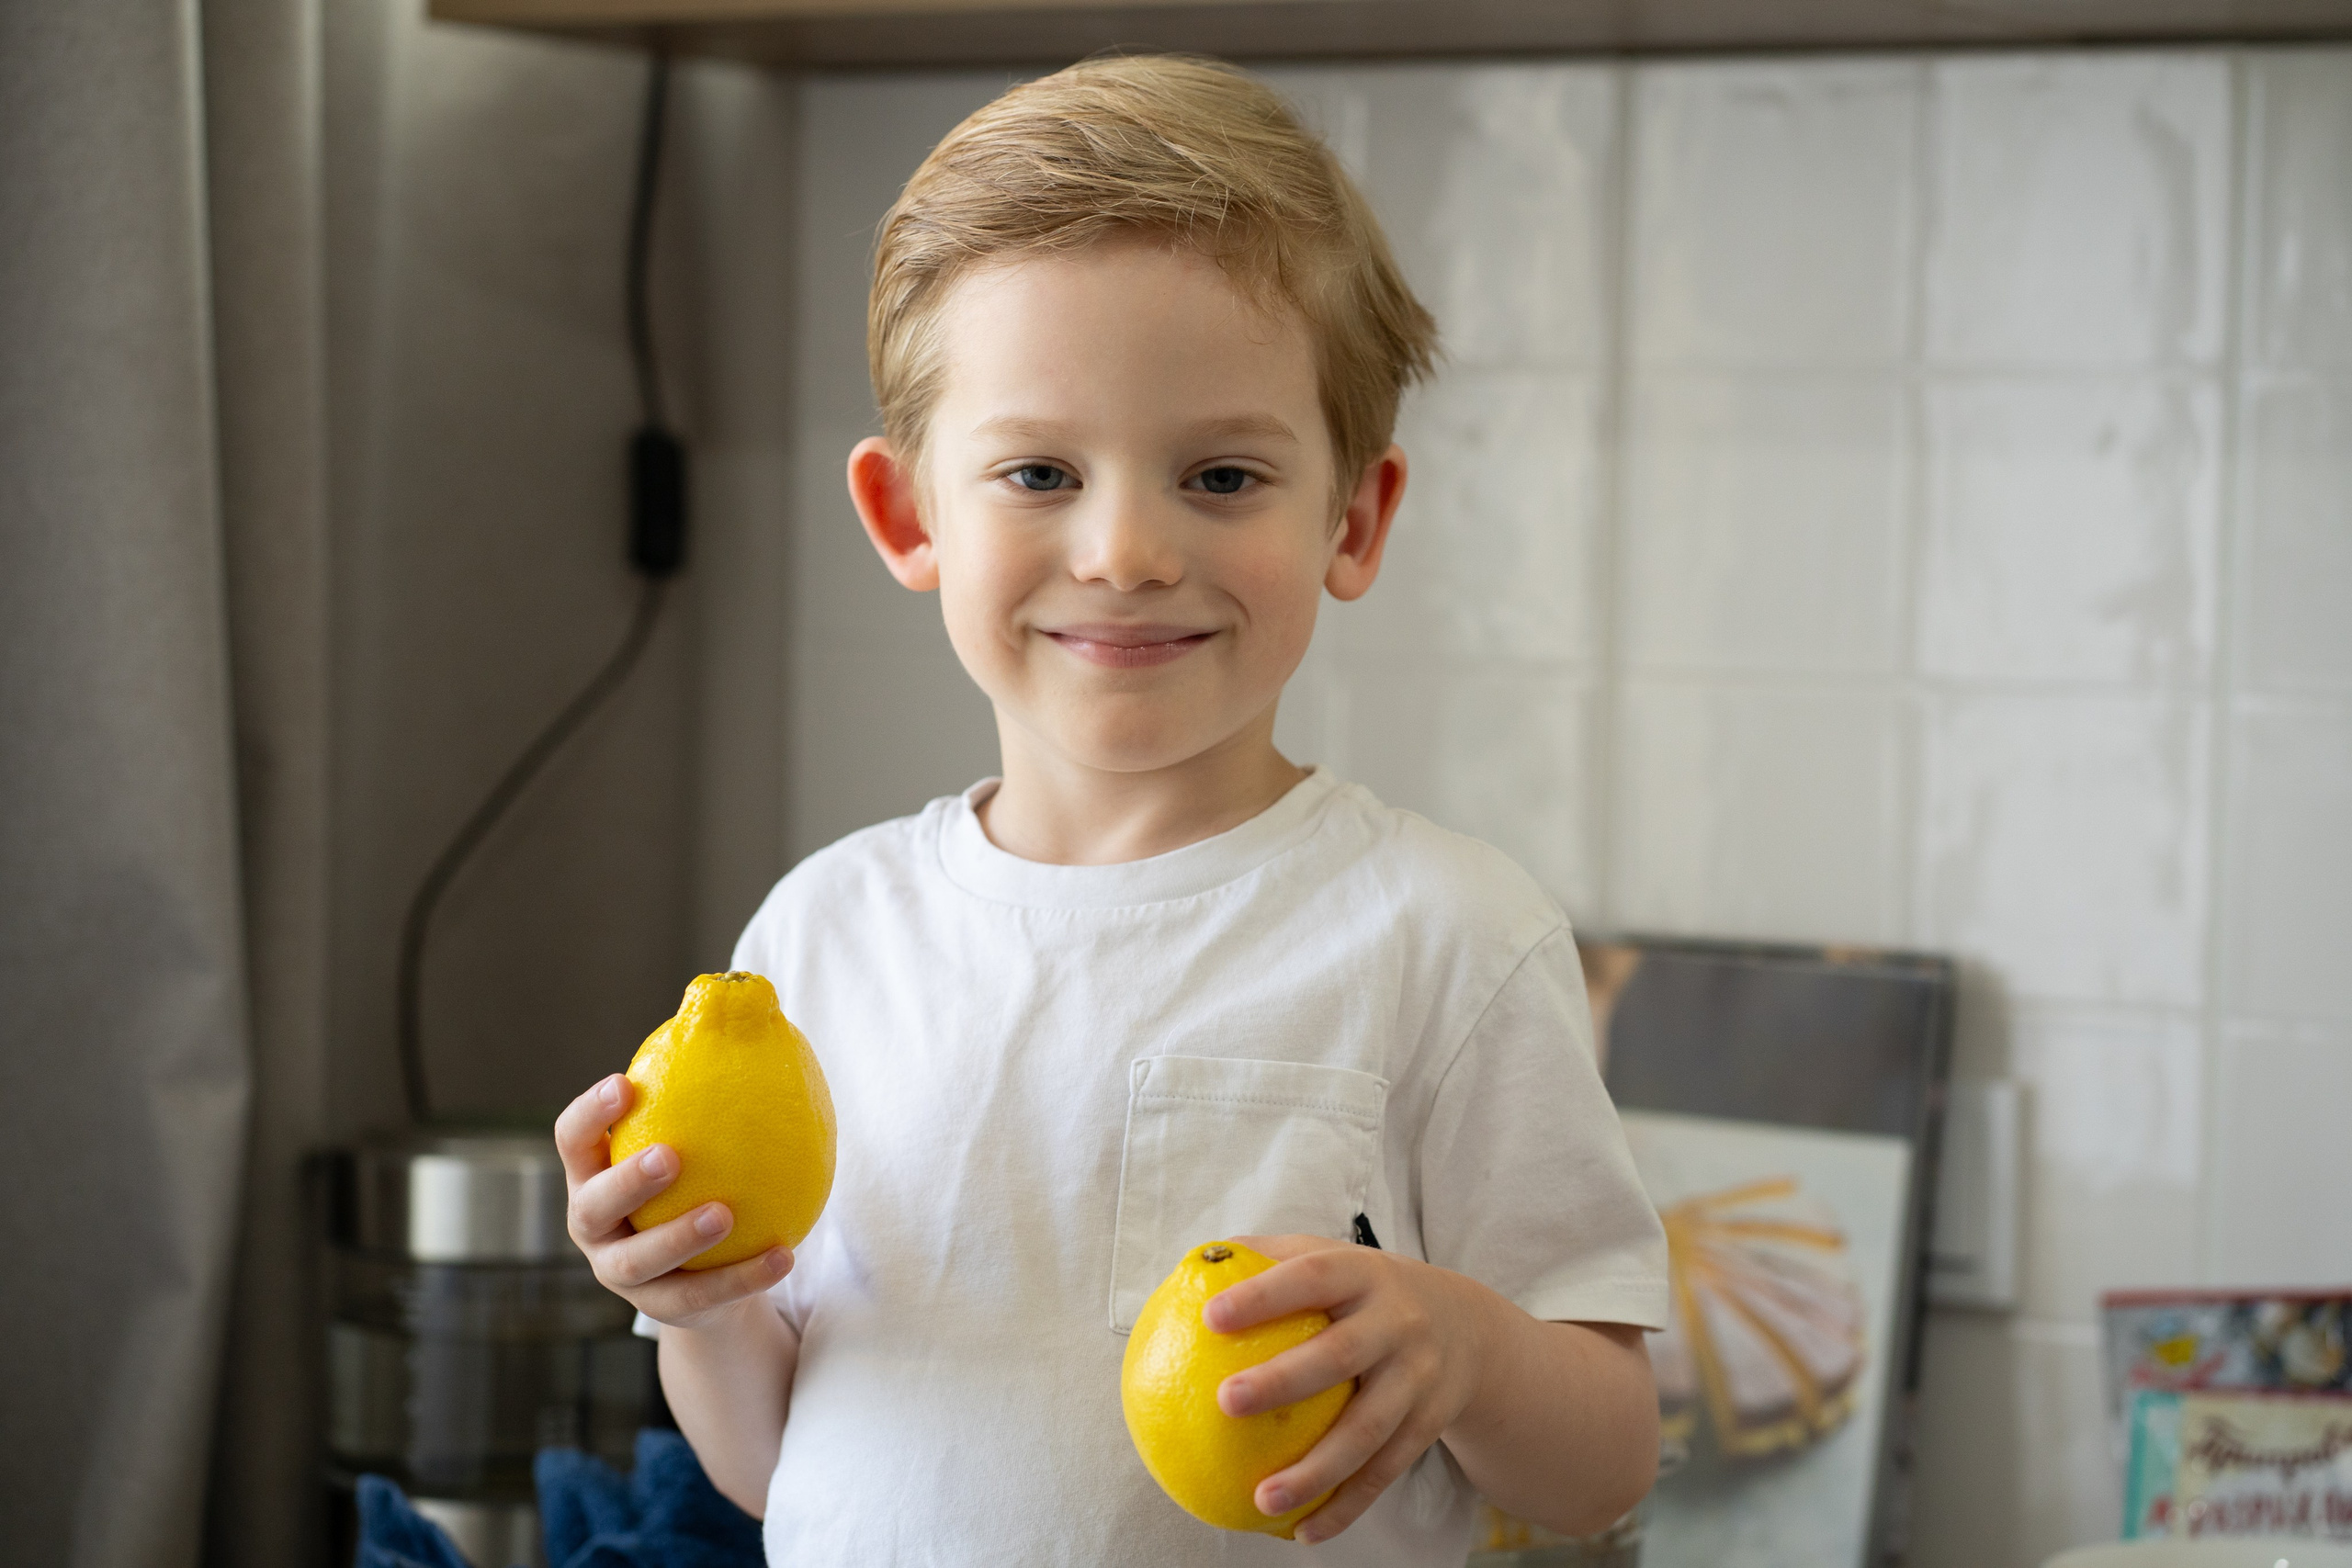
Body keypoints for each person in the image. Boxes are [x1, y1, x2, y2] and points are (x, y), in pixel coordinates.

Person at [554, 54, 1668, 1567]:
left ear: (1352, 519)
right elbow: (773, 1469)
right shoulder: (820, 939)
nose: (1126, 550)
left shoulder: (1449, 937)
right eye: (1038, 471)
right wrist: (699, 1303)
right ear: (908, 516)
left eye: (1221, 476)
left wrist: (1465, 1345)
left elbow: (1602, 1467)